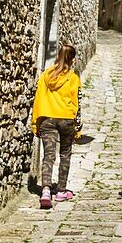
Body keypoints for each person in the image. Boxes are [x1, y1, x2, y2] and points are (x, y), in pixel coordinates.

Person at [31, 43, 81, 209]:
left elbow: (38, 99)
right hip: (66, 118)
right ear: (72, 59)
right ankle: (60, 190)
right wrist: (77, 129)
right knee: (65, 153)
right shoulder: (73, 78)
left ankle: (45, 190)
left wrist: (35, 123)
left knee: (49, 154)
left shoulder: (46, 75)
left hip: (48, 118)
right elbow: (76, 103)